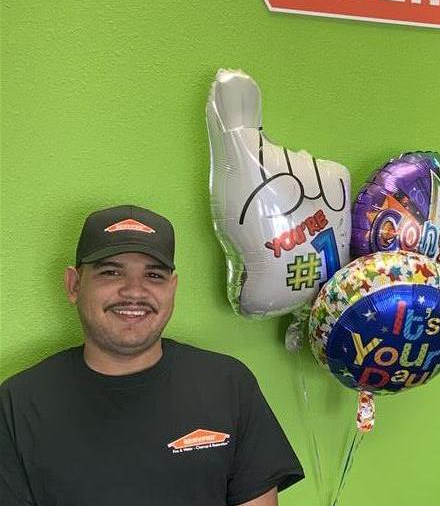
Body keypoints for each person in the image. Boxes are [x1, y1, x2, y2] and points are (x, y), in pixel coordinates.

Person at [0, 205, 304, 506]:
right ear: (74, 285)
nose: (134, 291)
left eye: (154, 276)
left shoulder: (228, 386)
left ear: (172, 288)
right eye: (111, 272)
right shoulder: (18, 404)